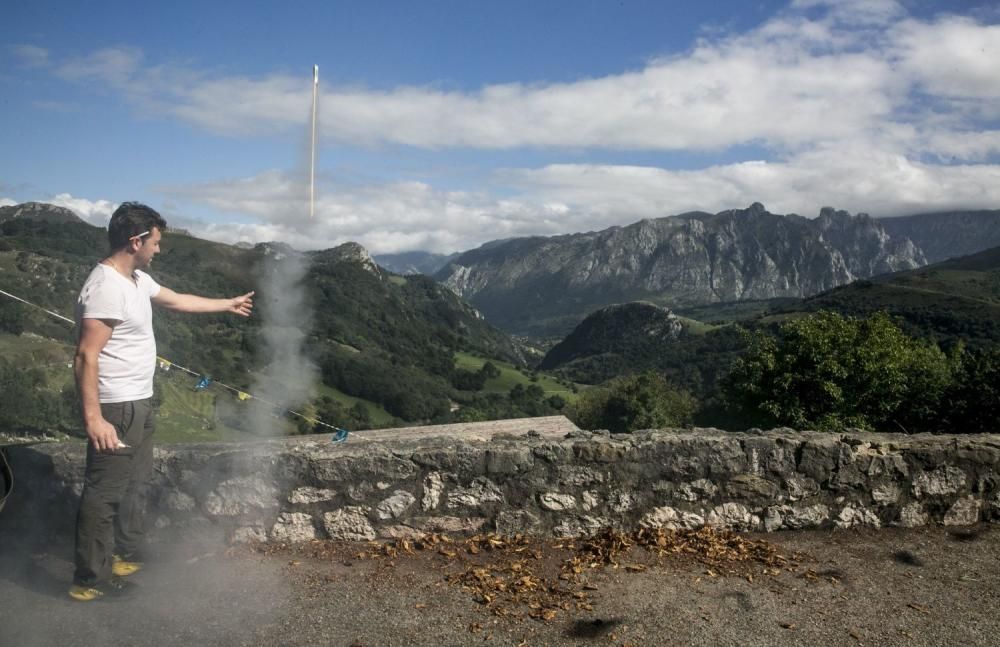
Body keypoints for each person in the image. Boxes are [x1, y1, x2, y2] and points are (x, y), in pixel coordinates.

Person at [69, 202, 254, 601]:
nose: (159, 249)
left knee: (135, 481)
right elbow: (86, 355)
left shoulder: (135, 279)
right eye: (155, 242)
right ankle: (90, 580)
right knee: (103, 493)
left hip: (140, 401)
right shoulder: (106, 287)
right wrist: (94, 419)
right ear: (135, 241)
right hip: (116, 407)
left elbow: (175, 299)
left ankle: (126, 552)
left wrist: (226, 303)